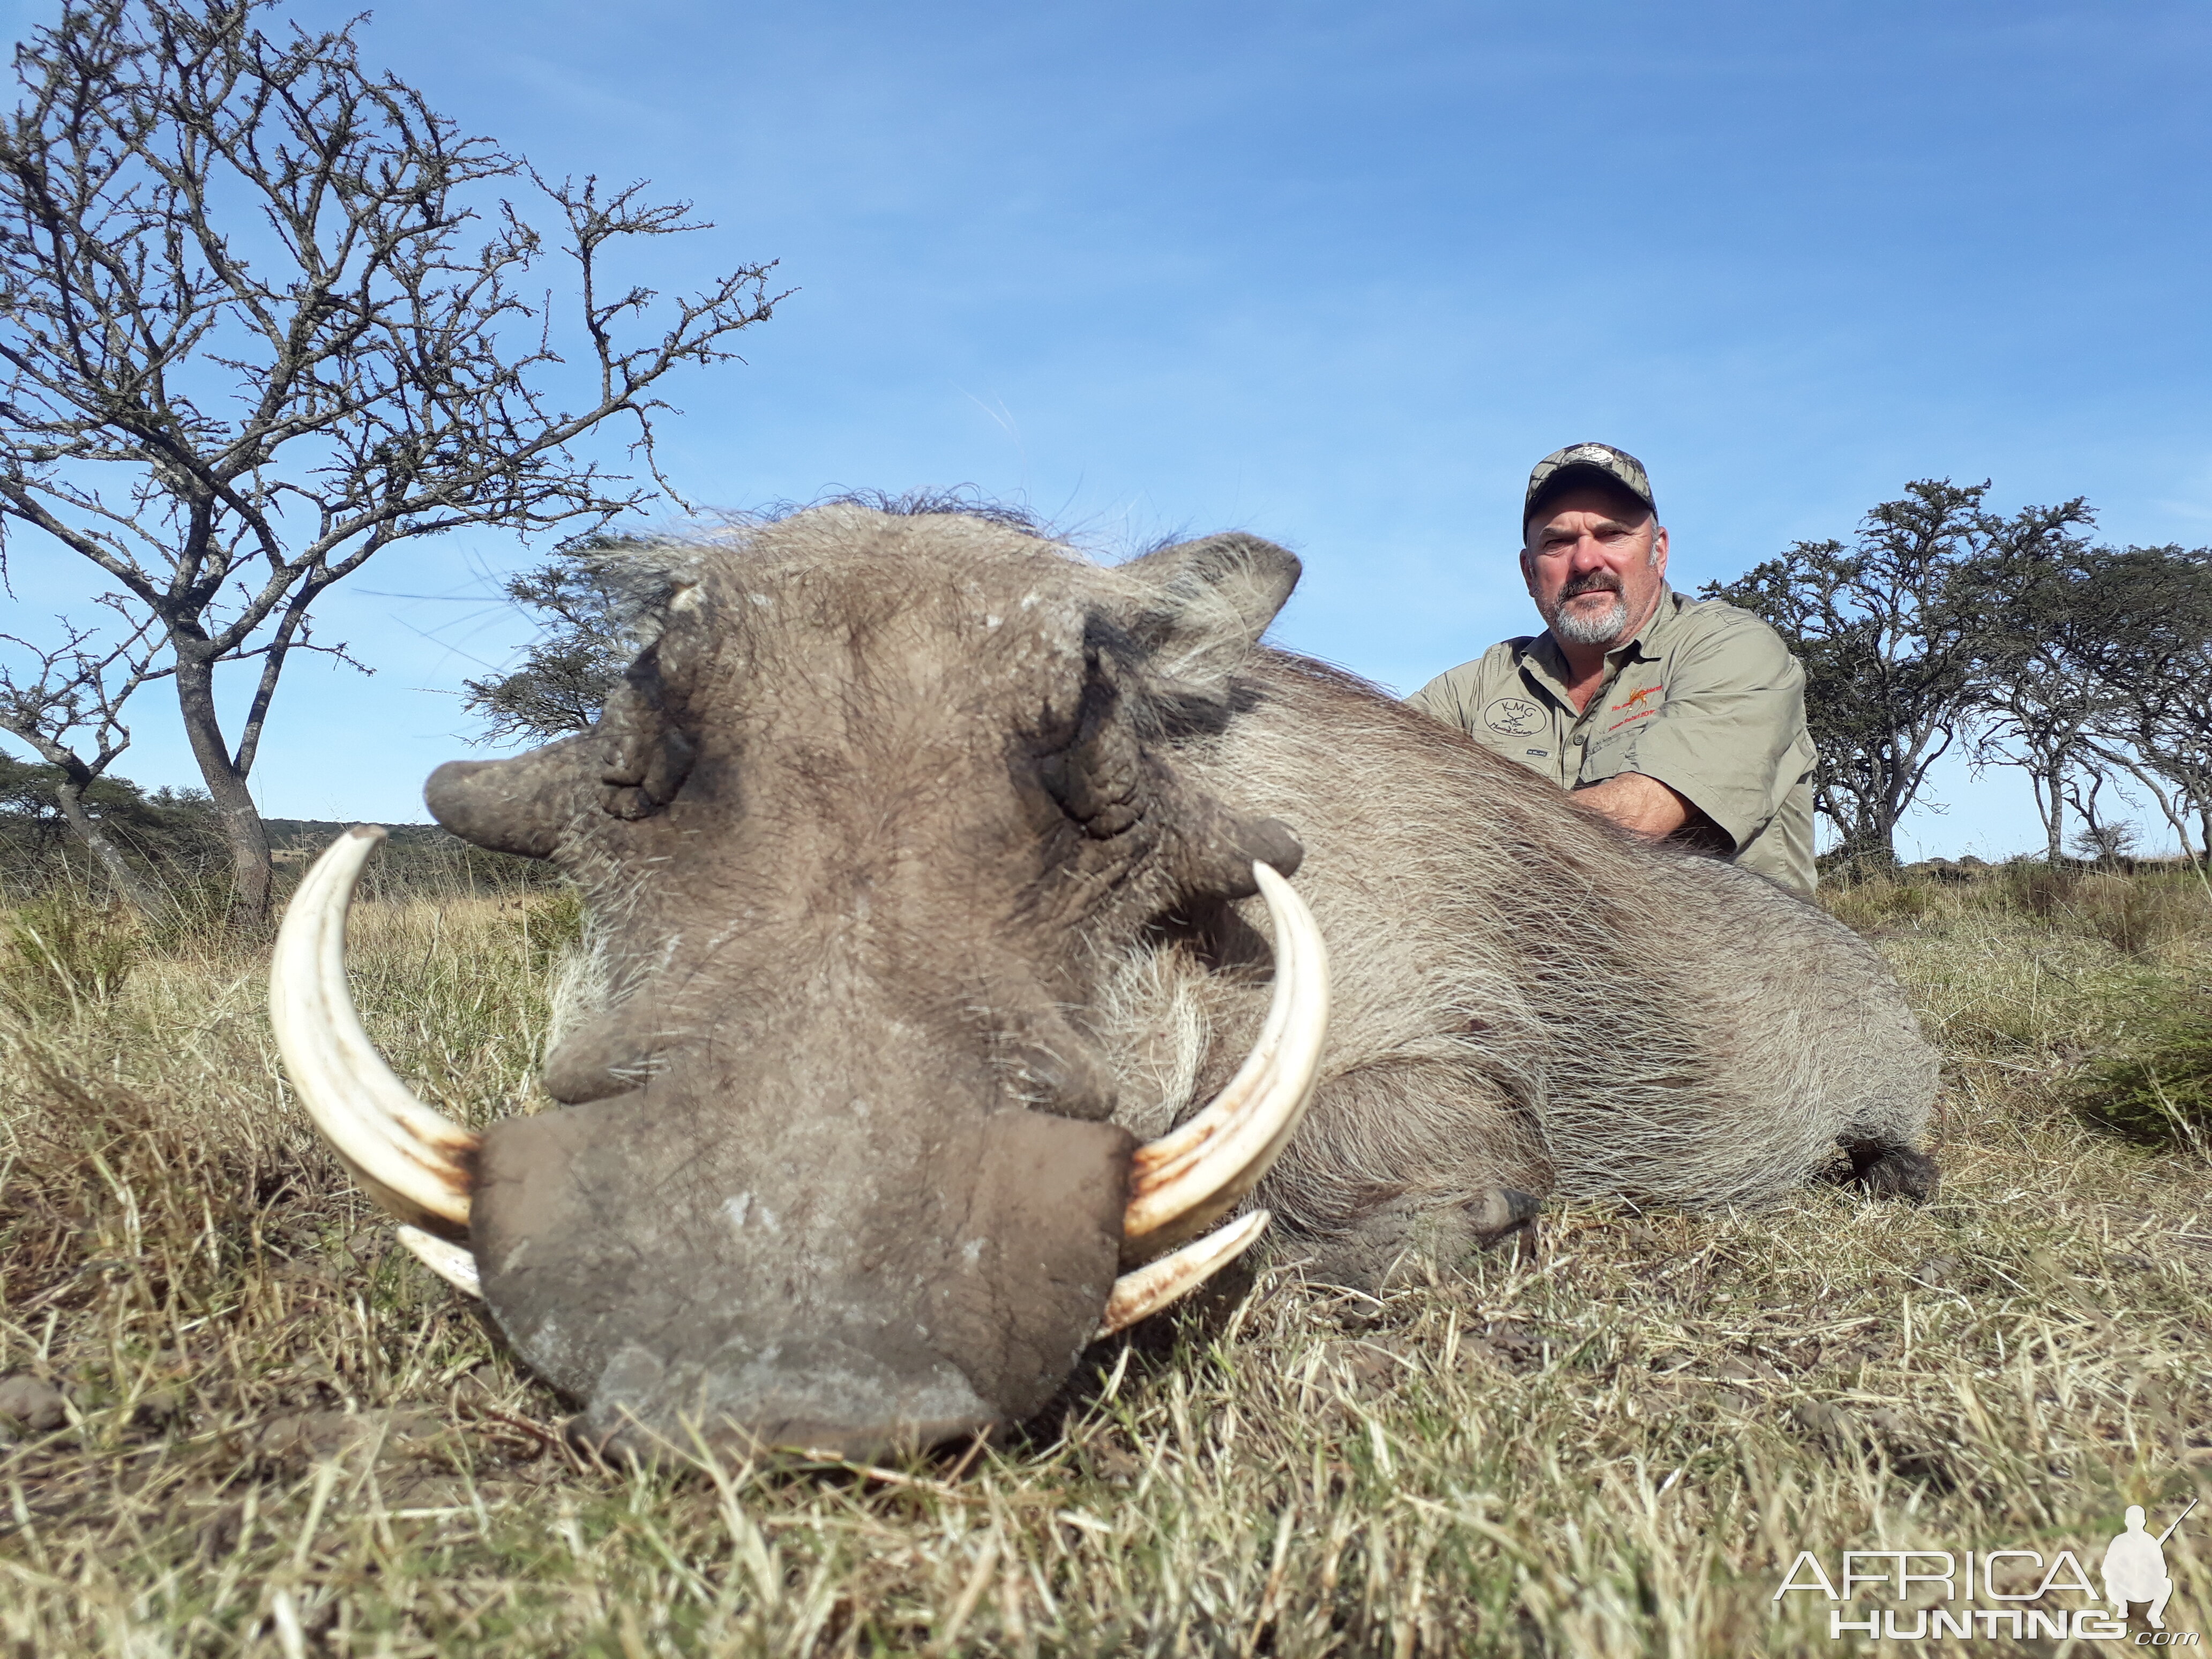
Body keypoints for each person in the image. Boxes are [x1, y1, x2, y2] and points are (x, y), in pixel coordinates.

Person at [1408, 442, 1817, 899]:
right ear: (1528, 572)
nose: (1585, 561)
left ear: (1659, 552)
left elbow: (1641, 816)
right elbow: (1366, 773)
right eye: (1557, 543)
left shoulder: (1730, 648)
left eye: (1613, 534)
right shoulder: (1475, 687)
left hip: (1735, 960)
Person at [2102, 1506, 2174, 1628]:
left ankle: (2155, 1615)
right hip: (2123, 1588)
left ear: (2144, 1522)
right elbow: (2106, 1568)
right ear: (2126, 1522)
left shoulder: (2151, 1541)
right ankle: (2117, 1610)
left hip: (2145, 1587)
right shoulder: (2119, 1541)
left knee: (2167, 1584)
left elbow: (2162, 1569)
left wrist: (2148, 1569)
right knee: (2110, 1584)